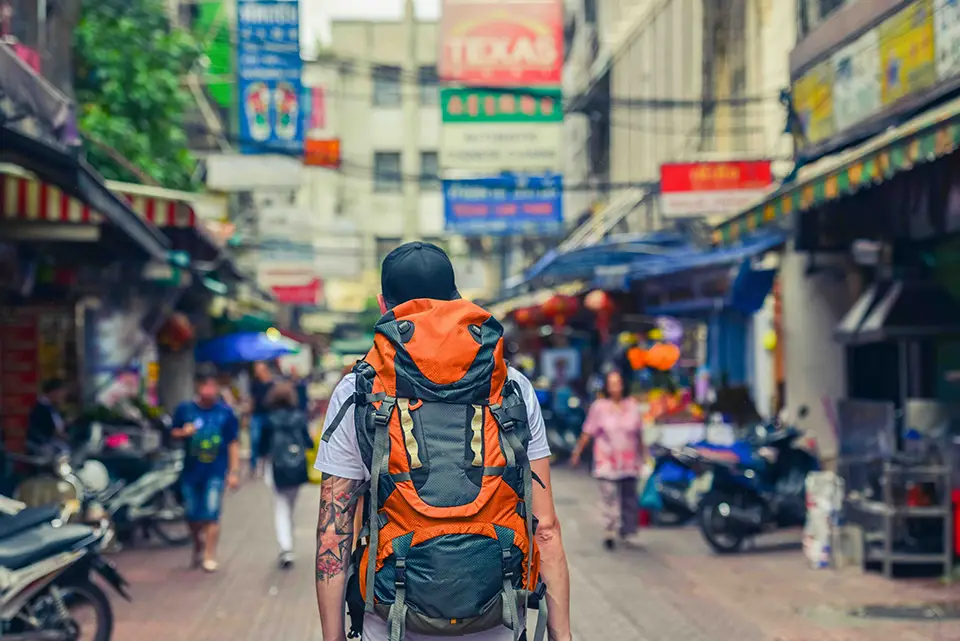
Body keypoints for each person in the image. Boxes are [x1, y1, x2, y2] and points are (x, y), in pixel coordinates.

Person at [314, 241, 572, 641]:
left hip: (393, 617)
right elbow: (547, 527)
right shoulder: (512, 386)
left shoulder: (359, 389)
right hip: (497, 615)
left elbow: (334, 532)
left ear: (385, 305)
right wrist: (562, 634)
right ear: (456, 298)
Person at [170, 364, 241, 572]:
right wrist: (183, 432)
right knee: (192, 514)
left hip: (216, 472)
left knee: (211, 513)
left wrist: (234, 472)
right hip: (191, 471)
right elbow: (172, 432)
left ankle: (209, 554)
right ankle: (198, 544)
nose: (208, 390)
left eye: (212, 385)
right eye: (204, 385)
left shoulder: (225, 413)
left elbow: (233, 443)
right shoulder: (185, 410)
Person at [570, 370, 645, 550]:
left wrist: (644, 456)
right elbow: (588, 431)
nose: (615, 387)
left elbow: (639, 434)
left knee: (629, 497)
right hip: (607, 461)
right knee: (609, 495)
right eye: (611, 383)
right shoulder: (600, 406)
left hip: (629, 460)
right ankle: (609, 530)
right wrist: (577, 452)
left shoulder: (632, 405)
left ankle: (627, 530)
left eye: (617, 383)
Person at [260, 380, 314, 569]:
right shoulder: (299, 417)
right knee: (289, 507)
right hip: (296, 468)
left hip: (276, 468)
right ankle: (288, 543)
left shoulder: (269, 420)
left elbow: (262, 447)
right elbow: (308, 442)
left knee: (280, 507)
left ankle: (286, 547)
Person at [27, 379, 70, 455]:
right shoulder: (40, 409)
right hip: (45, 449)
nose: (62, 397)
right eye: (61, 393)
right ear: (54, 392)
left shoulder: (54, 409)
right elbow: (40, 431)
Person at [249, 360, 275, 477]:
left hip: (269, 415)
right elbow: (252, 400)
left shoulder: (272, 383)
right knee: (255, 440)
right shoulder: (254, 383)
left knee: (269, 440)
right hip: (257, 415)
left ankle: (267, 464)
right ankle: (254, 466)